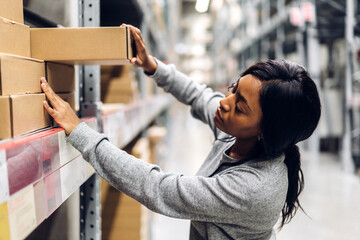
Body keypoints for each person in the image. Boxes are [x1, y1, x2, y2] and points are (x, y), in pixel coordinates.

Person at [40, 25, 321, 240]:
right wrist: (153, 66)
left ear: (264, 131)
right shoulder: (237, 134)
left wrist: (80, 132)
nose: (225, 102)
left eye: (240, 107)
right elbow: (198, 95)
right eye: (234, 88)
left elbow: (158, 188)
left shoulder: (254, 188)